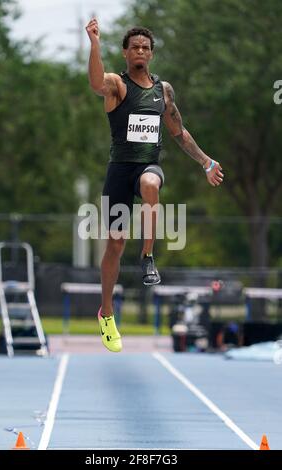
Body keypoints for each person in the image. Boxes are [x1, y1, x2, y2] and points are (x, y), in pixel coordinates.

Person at [85, 19, 224, 352]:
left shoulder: (163, 91)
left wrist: (207, 162)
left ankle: (147, 255)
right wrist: (93, 44)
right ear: (125, 52)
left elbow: (179, 132)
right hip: (119, 170)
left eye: (145, 47)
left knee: (151, 182)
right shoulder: (117, 84)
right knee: (114, 245)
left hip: (147, 167)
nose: (140, 51)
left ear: (151, 54)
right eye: (134, 46)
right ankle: (106, 313)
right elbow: (94, 82)